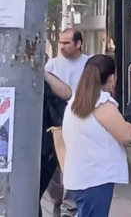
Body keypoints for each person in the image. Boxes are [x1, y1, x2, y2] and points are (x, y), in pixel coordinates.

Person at [62, 55, 131, 217]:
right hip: (96, 178)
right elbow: (127, 135)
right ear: (111, 78)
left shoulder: (75, 102)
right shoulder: (101, 103)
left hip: (78, 176)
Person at [45, 28, 90, 217]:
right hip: (57, 124)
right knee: (57, 179)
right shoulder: (51, 66)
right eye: (60, 43)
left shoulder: (89, 65)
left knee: (73, 173)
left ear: (78, 44)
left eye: (67, 43)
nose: (62, 46)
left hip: (81, 123)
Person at [40, 73, 71, 217]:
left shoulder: (41, 77)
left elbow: (67, 93)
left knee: (31, 197)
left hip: (44, 150)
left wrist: (42, 72)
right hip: (43, 151)